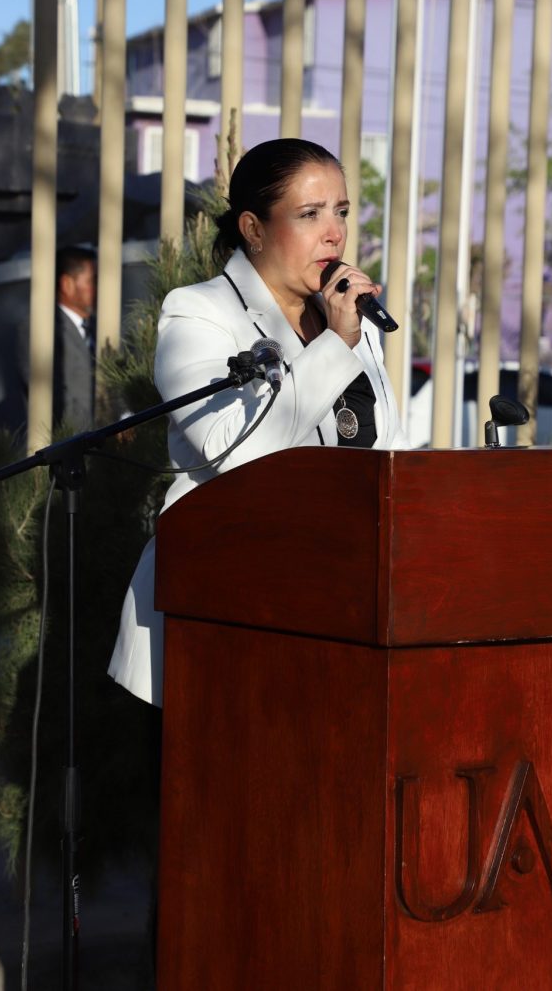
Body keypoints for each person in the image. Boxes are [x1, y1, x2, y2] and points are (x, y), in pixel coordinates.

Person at [108, 138, 409, 706]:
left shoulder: (346, 321)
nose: (335, 233)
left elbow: (387, 452)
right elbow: (235, 451)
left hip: (336, 611)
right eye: (310, 214)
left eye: (342, 211)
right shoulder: (199, 312)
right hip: (222, 614)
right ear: (254, 229)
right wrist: (336, 345)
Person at [53, 245, 97, 430]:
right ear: (67, 285)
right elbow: (55, 401)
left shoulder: (99, 327)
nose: (97, 288)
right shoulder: (44, 332)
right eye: (91, 281)